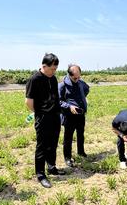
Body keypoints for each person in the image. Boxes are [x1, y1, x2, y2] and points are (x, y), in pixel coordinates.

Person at [25, 53, 66, 188]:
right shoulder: (34, 79)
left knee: (53, 143)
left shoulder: (53, 79)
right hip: (43, 118)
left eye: (55, 69)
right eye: (52, 69)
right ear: (44, 66)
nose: (54, 71)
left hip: (55, 116)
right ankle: (41, 174)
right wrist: (40, 112)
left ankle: (52, 167)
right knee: (42, 146)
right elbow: (29, 102)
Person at [58, 64, 90, 167]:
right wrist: (69, 106)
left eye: (79, 77)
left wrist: (82, 100)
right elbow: (58, 101)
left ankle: (81, 151)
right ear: (69, 75)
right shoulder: (62, 85)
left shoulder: (81, 83)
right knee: (68, 137)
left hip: (81, 114)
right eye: (75, 78)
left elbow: (87, 89)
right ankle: (67, 157)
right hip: (69, 116)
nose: (77, 79)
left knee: (81, 134)